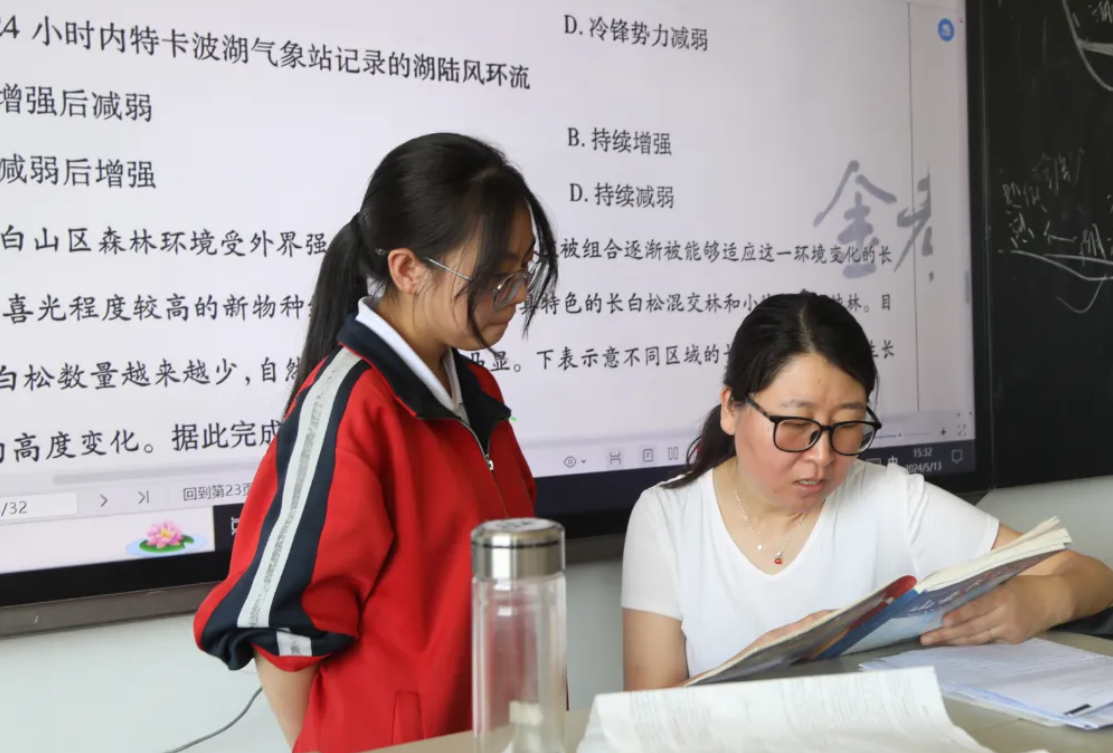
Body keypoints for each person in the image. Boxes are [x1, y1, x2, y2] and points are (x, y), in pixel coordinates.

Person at [193, 132, 558, 752]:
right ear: (407, 269)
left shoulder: (476, 390)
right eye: (497, 276)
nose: (519, 294)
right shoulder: (351, 408)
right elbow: (283, 633)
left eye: (523, 269)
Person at [621, 291, 1113, 690]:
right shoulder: (667, 517)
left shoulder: (892, 500)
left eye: (848, 426)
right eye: (795, 425)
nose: (822, 456)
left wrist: (1044, 599)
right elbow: (646, 710)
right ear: (732, 408)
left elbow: (1091, 575)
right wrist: (760, 662)